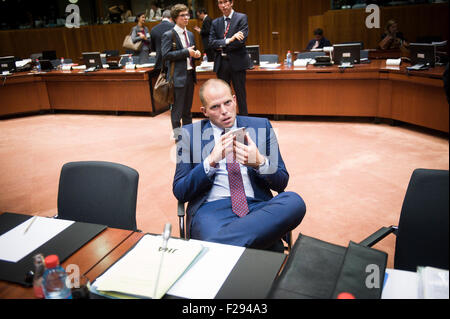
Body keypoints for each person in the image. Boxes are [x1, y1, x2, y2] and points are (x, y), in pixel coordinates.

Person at [173, 79, 306, 252]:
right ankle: (254, 242)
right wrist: (210, 161)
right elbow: (180, 191)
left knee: (294, 201)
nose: (224, 111)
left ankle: (215, 249)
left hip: (257, 207)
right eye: (215, 107)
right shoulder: (188, 134)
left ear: (234, 100)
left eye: (227, 103)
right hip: (212, 210)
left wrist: (260, 163)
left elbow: (281, 182)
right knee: (271, 248)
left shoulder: (261, 126)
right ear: (204, 111)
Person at [162, 4, 201, 135]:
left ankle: (188, 134)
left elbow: (190, 52)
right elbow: (166, 55)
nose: (186, 18)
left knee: (188, 109)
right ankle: (178, 135)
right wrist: (186, 52)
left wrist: (195, 54)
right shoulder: (169, 35)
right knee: (177, 110)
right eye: (182, 15)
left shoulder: (189, 34)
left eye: (187, 14)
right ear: (175, 18)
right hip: (177, 77)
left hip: (190, 75)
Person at [209, 0, 251, 116]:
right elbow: (211, 43)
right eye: (220, 3)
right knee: (222, 97)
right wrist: (229, 40)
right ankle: (226, 121)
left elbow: (240, 42)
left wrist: (221, 45)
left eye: (226, 2)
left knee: (240, 95)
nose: (223, 5)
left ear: (231, 3)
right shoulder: (215, 22)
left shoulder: (241, 18)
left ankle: (243, 122)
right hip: (221, 64)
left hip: (237, 63)